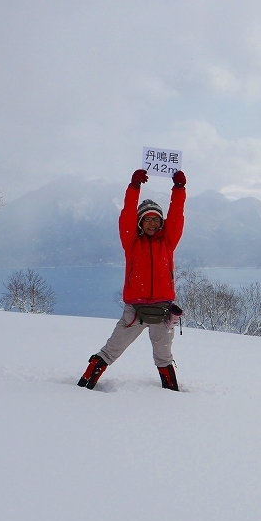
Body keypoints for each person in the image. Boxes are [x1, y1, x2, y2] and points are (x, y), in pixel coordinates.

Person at [78, 168, 187, 391]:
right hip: (134, 311)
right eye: (147, 219)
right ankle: (84, 386)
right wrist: (134, 188)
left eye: (156, 219)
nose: (153, 224)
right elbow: (127, 213)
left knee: (164, 356)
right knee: (112, 348)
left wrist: (179, 190)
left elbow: (176, 214)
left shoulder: (167, 243)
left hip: (162, 311)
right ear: (139, 222)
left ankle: (172, 394)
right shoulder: (132, 243)